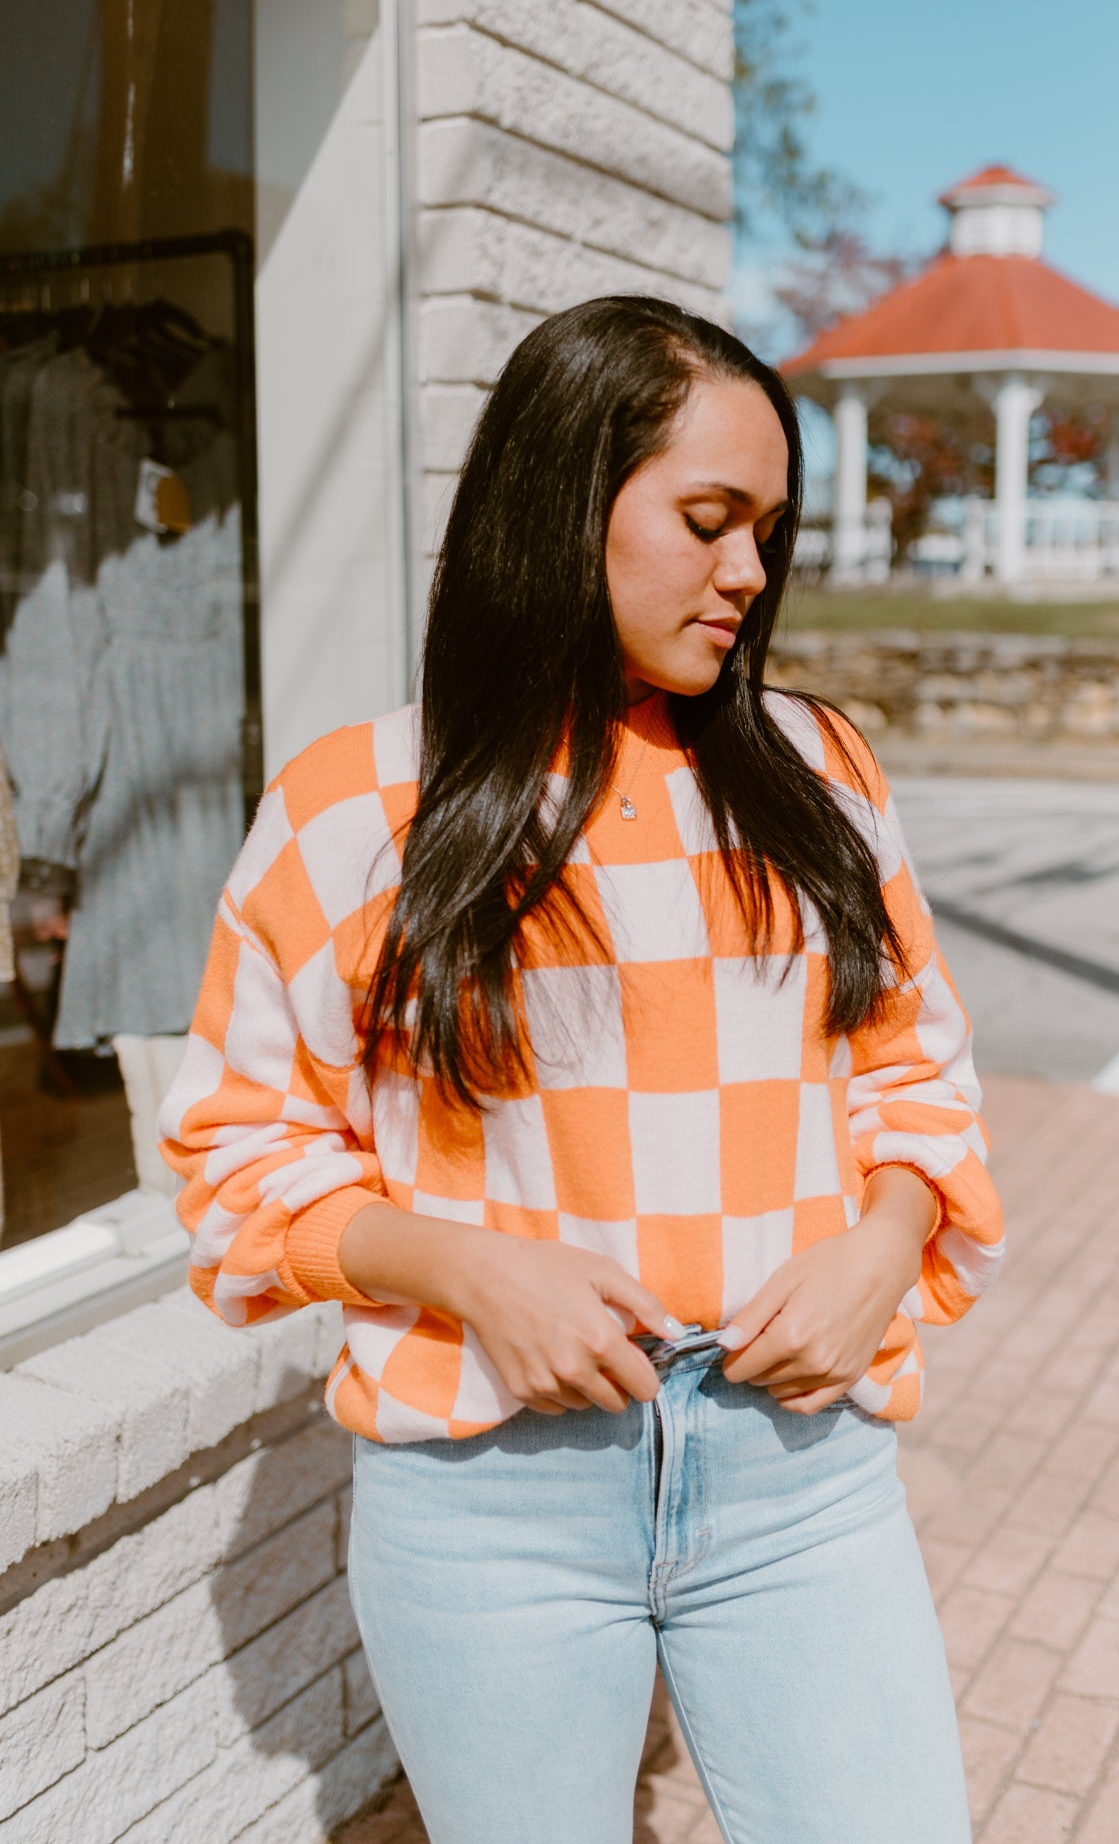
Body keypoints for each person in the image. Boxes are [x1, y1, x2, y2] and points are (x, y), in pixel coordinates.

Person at [160, 297, 1005, 1844]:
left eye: (768, 530)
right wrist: (473, 1272)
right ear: (564, 501)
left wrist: (885, 1247)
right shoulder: (351, 805)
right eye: (707, 520)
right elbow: (234, 1152)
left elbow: (918, 1075)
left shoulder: (820, 772)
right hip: (491, 1500)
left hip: (797, 1475)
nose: (749, 574)